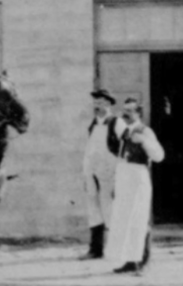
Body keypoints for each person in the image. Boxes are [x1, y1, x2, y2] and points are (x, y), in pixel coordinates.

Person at [105, 98, 165, 275]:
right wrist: (115, 182)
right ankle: (130, 260)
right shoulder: (123, 132)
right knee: (125, 219)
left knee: (139, 219)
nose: (125, 114)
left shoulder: (145, 131)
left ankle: (144, 262)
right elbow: (119, 158)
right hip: (124, 177)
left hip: (138, 177)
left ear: (138, 113)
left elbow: (159, 156)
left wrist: (144, 141)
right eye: (124, 110)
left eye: (130, 111)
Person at [80, 89, 123, 260]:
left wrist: (119, 172)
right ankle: (95, 249)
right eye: (95, 103)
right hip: (92, 172)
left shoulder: (116, 122)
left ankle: (116, 249)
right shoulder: (93, 124)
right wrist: (87, 172)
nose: (97, 106)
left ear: (108, 104)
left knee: (109, 208)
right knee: (93, 210)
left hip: (109, 173)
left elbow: (124, 147)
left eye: (101, 103)